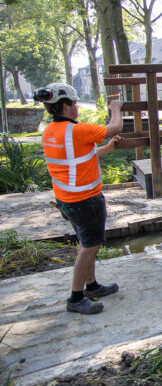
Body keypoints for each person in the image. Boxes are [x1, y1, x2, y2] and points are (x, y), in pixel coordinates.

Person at [34, 83, 124, 314]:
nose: (76, 108)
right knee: (90, 247)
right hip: (86, 201)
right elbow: (115, 127)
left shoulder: (51, 132)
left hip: (67, 200)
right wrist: (116, 107)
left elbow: (80, 156)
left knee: (87, 244)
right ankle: (75, 297)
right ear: (65, 106)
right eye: (74, 104)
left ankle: (91, 286)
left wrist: (107, 149)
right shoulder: (78, 130)